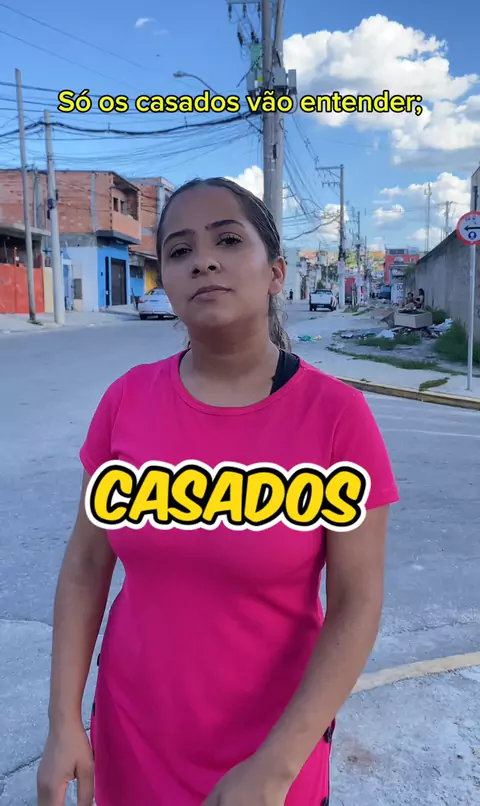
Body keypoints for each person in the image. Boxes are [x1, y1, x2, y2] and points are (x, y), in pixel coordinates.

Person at [37, 177, 399, 806]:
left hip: (274, 751)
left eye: (228, 240)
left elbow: (356, 603)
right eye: (179, 250)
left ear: (276, 273)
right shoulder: (126, 401)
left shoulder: (337, 417)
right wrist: (63, 719)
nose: (202, 261)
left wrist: (278, 767)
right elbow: (87, 565)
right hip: (132, 736)